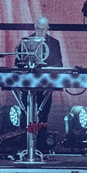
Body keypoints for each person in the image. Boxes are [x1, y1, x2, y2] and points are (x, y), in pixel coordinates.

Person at [15, 16, 63, 149]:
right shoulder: (25, 42)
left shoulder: (55, 43)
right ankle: (24, 146)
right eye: (38, 28)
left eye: (43, 29)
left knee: (43, 115)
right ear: (34, 27)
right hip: (28, 85)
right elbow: (18, 63)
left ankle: (41, 146)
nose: (40, 31)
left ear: (48, 28)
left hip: (46, 85)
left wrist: (48, 71)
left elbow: (59, 64)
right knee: (25, 115)